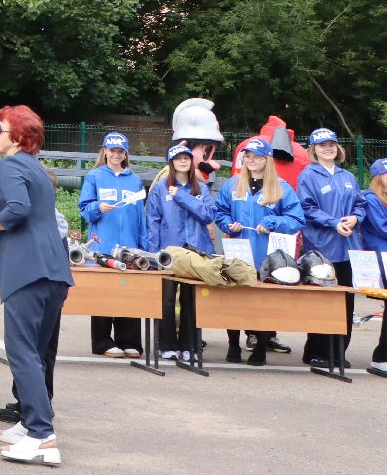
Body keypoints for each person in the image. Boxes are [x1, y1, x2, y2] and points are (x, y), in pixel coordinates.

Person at [0, 105, 71, 468]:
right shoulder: (36, 168)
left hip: (28, 273)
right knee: (35, 355)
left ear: (17, 138)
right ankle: (30, 422)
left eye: (0, 129)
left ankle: (41, 435)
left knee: (22, 353)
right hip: (54, 272)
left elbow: (18, 208)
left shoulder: (11, 165)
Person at [212, 137, 301, 365]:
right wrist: (227, 224)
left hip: (267, 255)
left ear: (267, 160)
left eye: (257, 157)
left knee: (264, 303)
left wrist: (274, 222)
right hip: (238, 252)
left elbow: (296, 219)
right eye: (248, 157)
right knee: (233, 300)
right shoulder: (233, 184)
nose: (251, 161)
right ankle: (233, 345)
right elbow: (220, 211)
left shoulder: (281, 187)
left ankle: (261, 346)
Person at [297, 128, 362, 366]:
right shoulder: (308, 175)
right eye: (322, 145)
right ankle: (316, 351)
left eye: (331, 144)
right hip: (321, 249)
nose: (327, 148)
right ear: (313, 150)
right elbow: (307, 208)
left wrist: (355, 218)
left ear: (338, 147)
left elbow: (360, 204)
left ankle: (338, 352)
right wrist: (333, 223)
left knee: (346, 302)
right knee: (322, 302)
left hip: (347, 249)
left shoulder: (348, 176)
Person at [77, 132, 146, 358]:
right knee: (103, 294)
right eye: (112, 150)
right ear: (104, 151)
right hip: (103, 246)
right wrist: (98, 207)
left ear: (125, 154)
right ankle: (102, 342)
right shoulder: (94, 176)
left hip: (129, 247)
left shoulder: (134, 180)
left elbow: (141, 216)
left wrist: (143, 246)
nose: (116, 155)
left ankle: (130, 341)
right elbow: (84, 209)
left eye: (120, 151)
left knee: (129, 293)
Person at [147, 142, 215, 361]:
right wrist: (154, 252)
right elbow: (153, 220)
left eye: (186, 158)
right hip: (169, 252)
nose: (182, 162)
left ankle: (190, 346)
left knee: (190, 299)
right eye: (178, 159)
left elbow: (207, 216)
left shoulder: (201, 188)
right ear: (171, 163)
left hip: (196, 252)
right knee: (167, 299)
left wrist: (183, 197)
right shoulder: (160, 188)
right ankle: (166, 345)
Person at [357, 158, 387, 377]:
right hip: (381, 259)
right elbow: (382, 228)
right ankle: (381, 358)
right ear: (377, 177)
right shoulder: (370, 199)